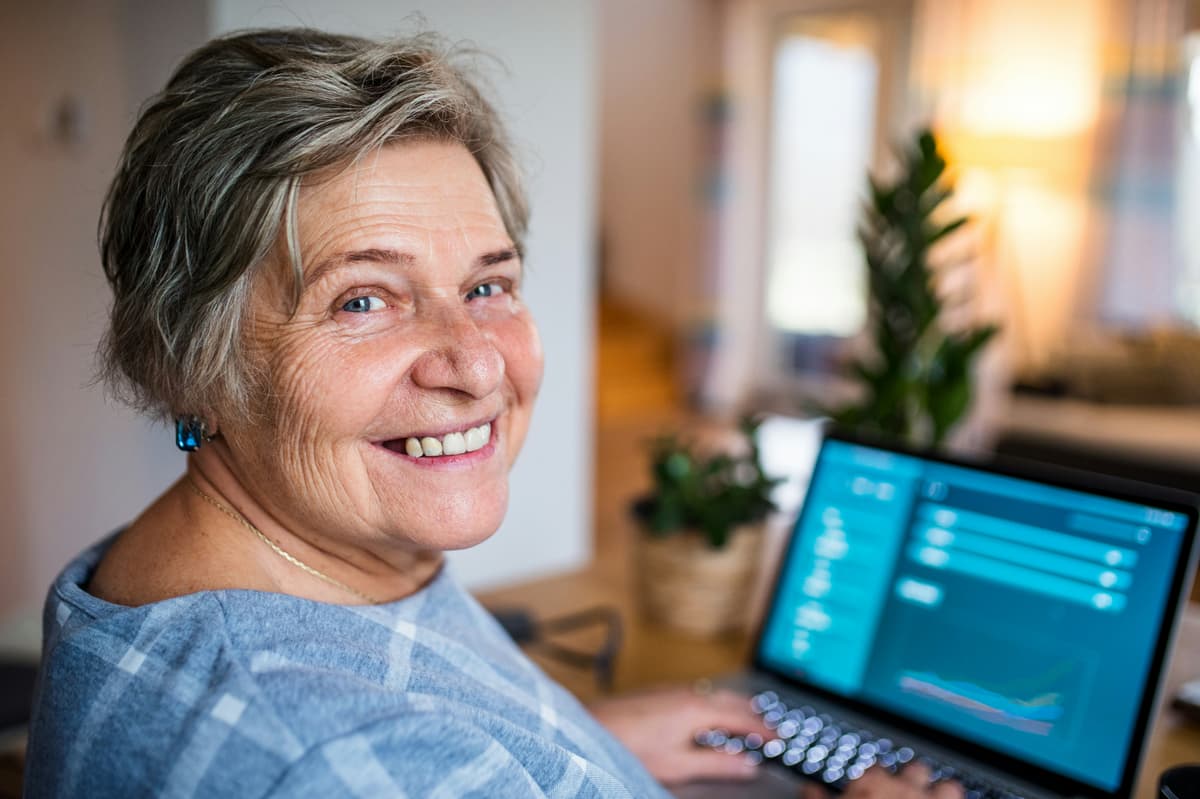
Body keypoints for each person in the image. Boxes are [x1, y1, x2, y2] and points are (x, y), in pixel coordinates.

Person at [24, 28, 963, 799]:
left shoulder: (226, 563)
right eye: (364, 299)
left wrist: (576, 741)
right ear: (194, 363)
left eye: (488, 284)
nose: (476, 364)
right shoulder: (339, 765)